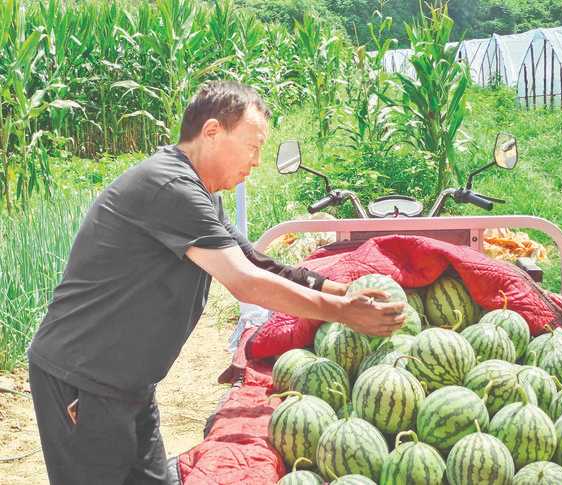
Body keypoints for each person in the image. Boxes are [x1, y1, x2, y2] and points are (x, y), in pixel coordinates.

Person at [27, 81, 405, 485]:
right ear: (211, 132)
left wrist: (339, 290)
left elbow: (256, 261)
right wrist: (343, 313)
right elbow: (243, 281)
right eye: (252, 146)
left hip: (128, 383)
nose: (256, 161)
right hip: (83, 377)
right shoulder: (170, 186)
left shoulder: (201, 193)